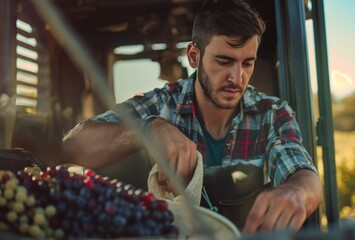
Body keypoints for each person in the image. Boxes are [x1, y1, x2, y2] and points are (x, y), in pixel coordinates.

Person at [60, 0, 322, 234]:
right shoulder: (160, 103)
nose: (237, 78)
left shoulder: (272, 113)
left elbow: (303, 172)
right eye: (224, 61)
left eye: (247, 63)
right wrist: (147, 129)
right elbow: (73, 145)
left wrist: (296, 191)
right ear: (194, 56)